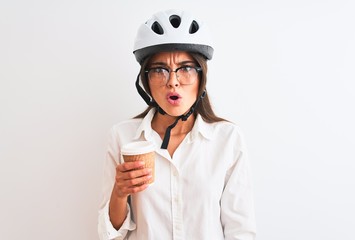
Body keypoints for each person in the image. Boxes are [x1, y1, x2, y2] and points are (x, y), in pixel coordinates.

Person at [98, 9, 256, 240]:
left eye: (186, 68)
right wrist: (120, 193)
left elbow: (240, 231)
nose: (173, 82)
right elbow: (110, 236)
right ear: (146, 79)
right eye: (160, 70)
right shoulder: (123, 137)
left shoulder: (227, 139)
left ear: (202, 77)